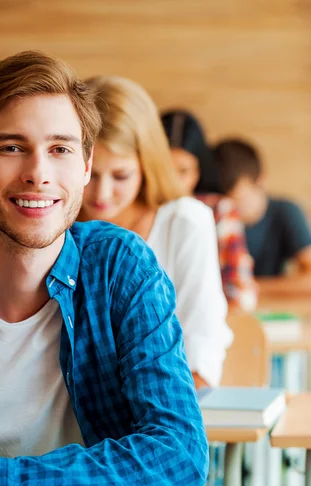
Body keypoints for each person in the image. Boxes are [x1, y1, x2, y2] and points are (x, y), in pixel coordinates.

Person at [0, 52, 209, 486]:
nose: (38, 173)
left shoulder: (120, 266)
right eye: (11, 147)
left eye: (61, 149)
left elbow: (179, 458)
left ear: (86, 165)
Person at [78, 76, 232, 390]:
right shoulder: (54, 223)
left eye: (121, 175)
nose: (102, 193)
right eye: (89, 174)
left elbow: (201, 350)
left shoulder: (185, 221)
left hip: (165, 404)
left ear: (147, 165)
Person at [161, 110, 257, 312]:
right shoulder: (136, 211)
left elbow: (239, 293)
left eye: (183, 171)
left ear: (198, 171)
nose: (173, 183)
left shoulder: (218, 211)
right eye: (164, 169)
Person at [214, 138, 311, 296]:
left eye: (238, 201)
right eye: (224, 203)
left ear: (260, 181)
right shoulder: (213, 216)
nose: (228, 211)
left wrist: (252, 287)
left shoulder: (286, 212)